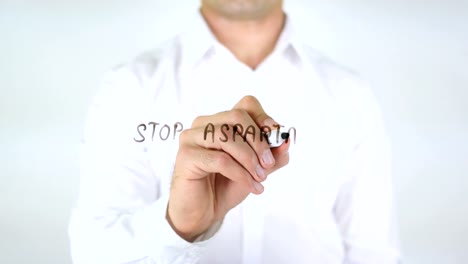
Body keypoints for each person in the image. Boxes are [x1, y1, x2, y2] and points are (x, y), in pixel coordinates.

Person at [68, 0, 401, 263]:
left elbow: (374, 254)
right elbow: (93, 254)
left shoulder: (351, 94)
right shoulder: (129, 87)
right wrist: (178, 225)